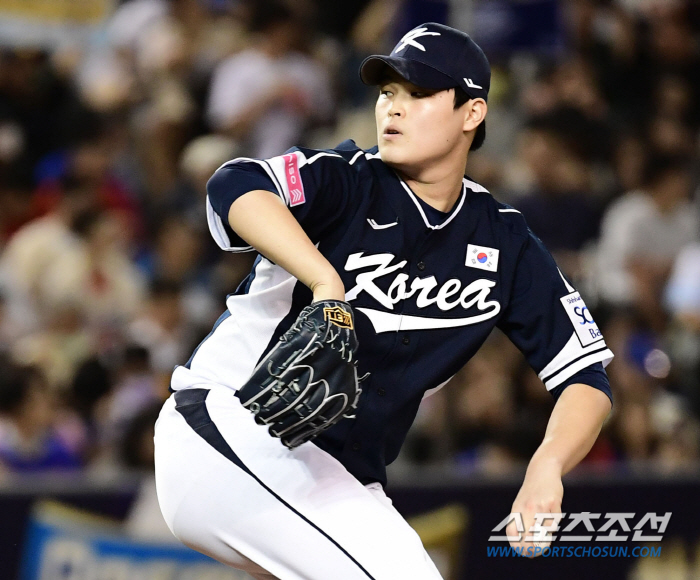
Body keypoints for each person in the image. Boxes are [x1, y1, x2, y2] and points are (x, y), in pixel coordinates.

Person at [154, 23, 614, 579]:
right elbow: (233, 185)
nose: (393, 108)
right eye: (387, 92)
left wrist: (548, 465)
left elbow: (586, 379)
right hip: (229, 425)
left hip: (336, 477)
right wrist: (324, 281)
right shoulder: (347, 180)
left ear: (472, 113)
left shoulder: (504, 241)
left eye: (418, 93)